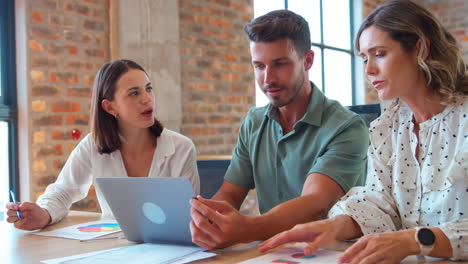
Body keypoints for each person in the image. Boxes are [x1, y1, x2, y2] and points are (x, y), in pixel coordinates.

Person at [258, 1, 467, 262]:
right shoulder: (387, 127)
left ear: (420, 49)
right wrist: (335, 225)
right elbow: (380, 202)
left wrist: (416, 240)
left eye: (379, 54)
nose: (368, 70)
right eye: (365, 58)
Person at [189, 10, 369, 249]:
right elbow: (230, 195)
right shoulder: (254, 122)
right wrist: (209, 219)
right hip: (270, 252)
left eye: (279, 64)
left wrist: (247, 229)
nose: (267, 79)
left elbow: (315, 203)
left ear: (307, 60)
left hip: (330, 253)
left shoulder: (348, 127)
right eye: (259, 66)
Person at [6, 59, 200, 230]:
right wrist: (44, 214)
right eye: (134, 93)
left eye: (148, 88)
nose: (147, 99)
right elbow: (63, 191)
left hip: (169, 249)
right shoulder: (93, 145)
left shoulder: (181, 148)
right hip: (113, 248)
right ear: (109, 106)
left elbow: (189, 214)